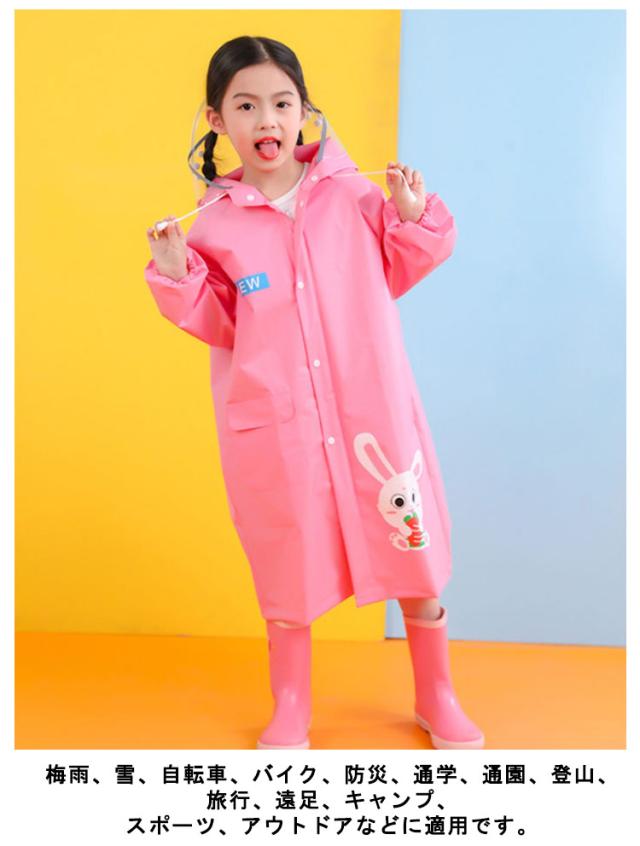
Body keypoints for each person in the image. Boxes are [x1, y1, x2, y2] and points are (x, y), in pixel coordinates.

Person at [144, 35, 484, 751]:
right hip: (281, 424)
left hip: (371, 413)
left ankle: (437, 694)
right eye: (245, 106)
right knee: (287, 556)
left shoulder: (352, 193)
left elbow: (402, 266)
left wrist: (410, 212)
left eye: (281, 102)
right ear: (216, 120)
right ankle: (291, 703)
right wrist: (177, 272)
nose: (266, 119)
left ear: (304, 111)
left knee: (411, 546)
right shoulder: (215, 222)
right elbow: (222, 323)